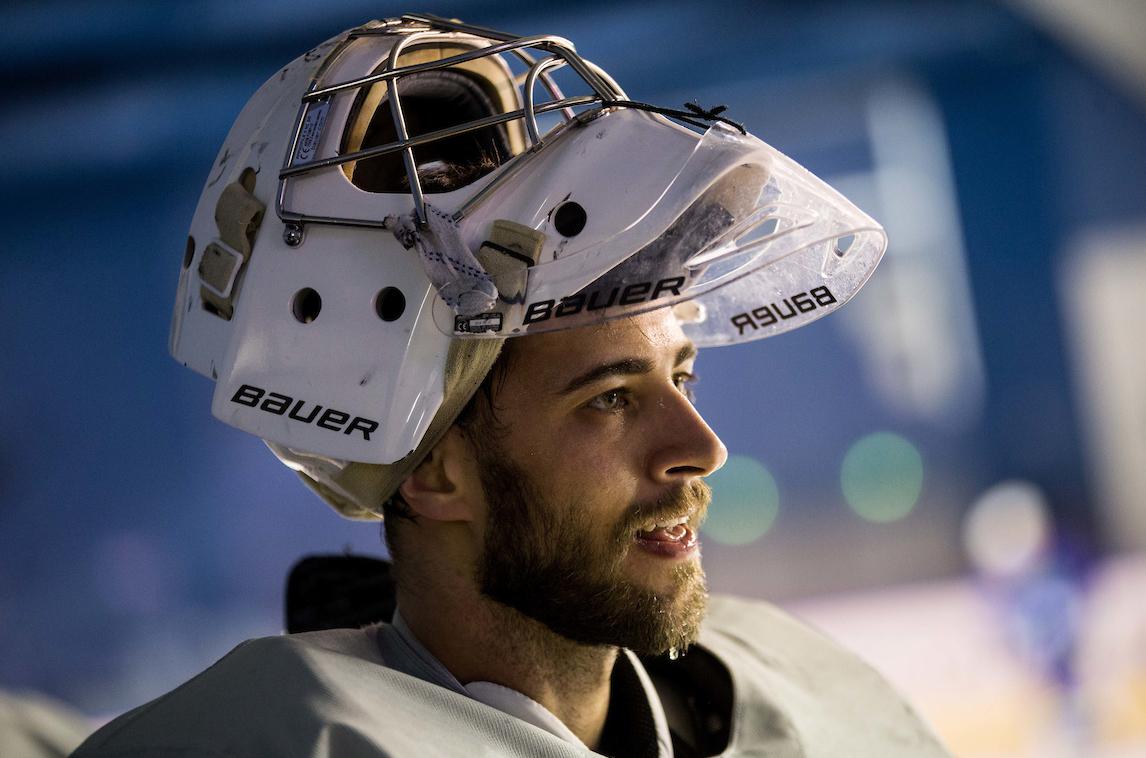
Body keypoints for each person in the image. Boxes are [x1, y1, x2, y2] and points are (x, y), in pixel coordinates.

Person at [73, 13, 948, 758]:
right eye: (610, 398)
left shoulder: (792, 691)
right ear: (434, 468)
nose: (702, 447)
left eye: (680, 374)